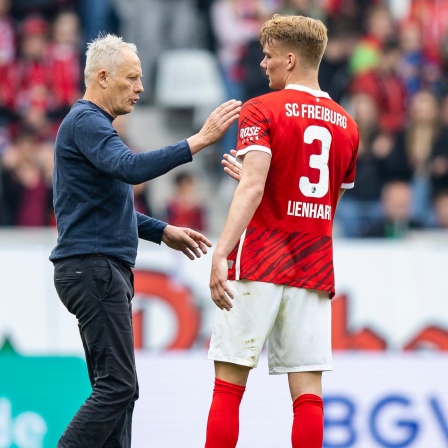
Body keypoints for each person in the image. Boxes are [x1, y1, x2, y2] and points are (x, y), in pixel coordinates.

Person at [49, 33, 241, 448]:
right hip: (94, 268)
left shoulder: (89, 127)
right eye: (132, 78)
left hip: (94, 266)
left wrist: (161, 231)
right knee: (118, 387)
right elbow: (131, 169)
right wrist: (198, 141)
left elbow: (102, 206)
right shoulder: (87, 122)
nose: (140, 88)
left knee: (121, 392)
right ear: (103, 77)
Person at [205, 14, 359, 448]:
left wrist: (222, 251)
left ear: (290, 60)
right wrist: (269, 185)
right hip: (312, 264)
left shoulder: (261, 108)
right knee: (308, 396)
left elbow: (254, 185)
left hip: (259, 257)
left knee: (229, 386)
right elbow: (326, 205)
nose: (263, 64)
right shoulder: (348, 125)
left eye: (268, 55)